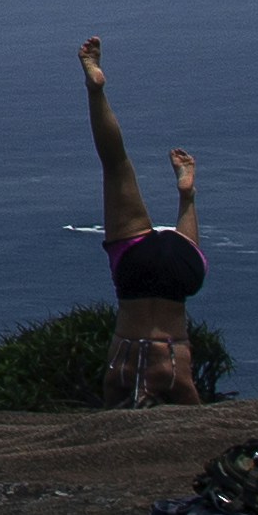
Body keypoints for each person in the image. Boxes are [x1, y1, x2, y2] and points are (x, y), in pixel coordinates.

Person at [84, 38, 206, 406]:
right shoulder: (167, 378)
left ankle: (95, 92)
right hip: (171, 342)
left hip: (158, 304)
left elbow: (112, 405)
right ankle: (187, 194)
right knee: (115, 165)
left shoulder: (124, 377)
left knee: (116, 165)